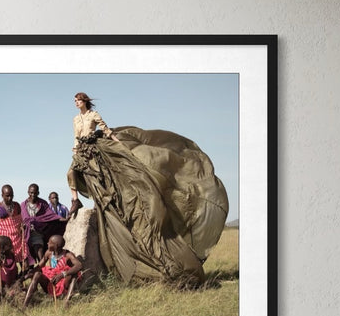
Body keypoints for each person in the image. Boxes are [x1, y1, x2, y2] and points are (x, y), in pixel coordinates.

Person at [66, 91, 229, 285]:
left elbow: (106, 130)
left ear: (85, 101)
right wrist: (75, 151)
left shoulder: (93, 115)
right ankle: (74, 199)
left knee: (122, 173)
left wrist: (119, 145)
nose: (76, 103)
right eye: (75, 101)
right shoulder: (76, 119)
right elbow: (76, 137)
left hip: (97, 147)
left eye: (78, 100)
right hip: (82, 151)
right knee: (70, 173)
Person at [23, 234, 83, 307]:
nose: (47, 243)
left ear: (56, 246)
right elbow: (40, 266)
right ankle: (25, 305)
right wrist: (28, 274)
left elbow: (79, 265)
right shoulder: (49, 253)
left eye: (50, 242)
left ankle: (67, 301)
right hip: (50, 283)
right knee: (37, 274)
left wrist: (62, 274)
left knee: (74, 274)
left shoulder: (68, 255)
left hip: (63, 285)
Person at [20, 183, 62, 262]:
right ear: (28, 192)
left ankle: (43, 270)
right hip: (26, 234)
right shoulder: (23, 205)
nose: (33, 195)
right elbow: (21, 219)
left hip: (38, 233)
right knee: (27, 259)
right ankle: (31, 272)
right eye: (31, 193)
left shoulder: (43, 204)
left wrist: (61, 219)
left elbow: (51, 216)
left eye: (35, 193)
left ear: (38, 193)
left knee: (40, 252)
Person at [0, 184, 26, 263]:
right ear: (2, 195)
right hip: (5, 243)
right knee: (8, 264)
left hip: (18, 241)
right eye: (7, 196)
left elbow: (20, 221)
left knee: (24, 263)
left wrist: (22, 227)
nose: (10, 198)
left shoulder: (17, 206)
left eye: (11, 196)